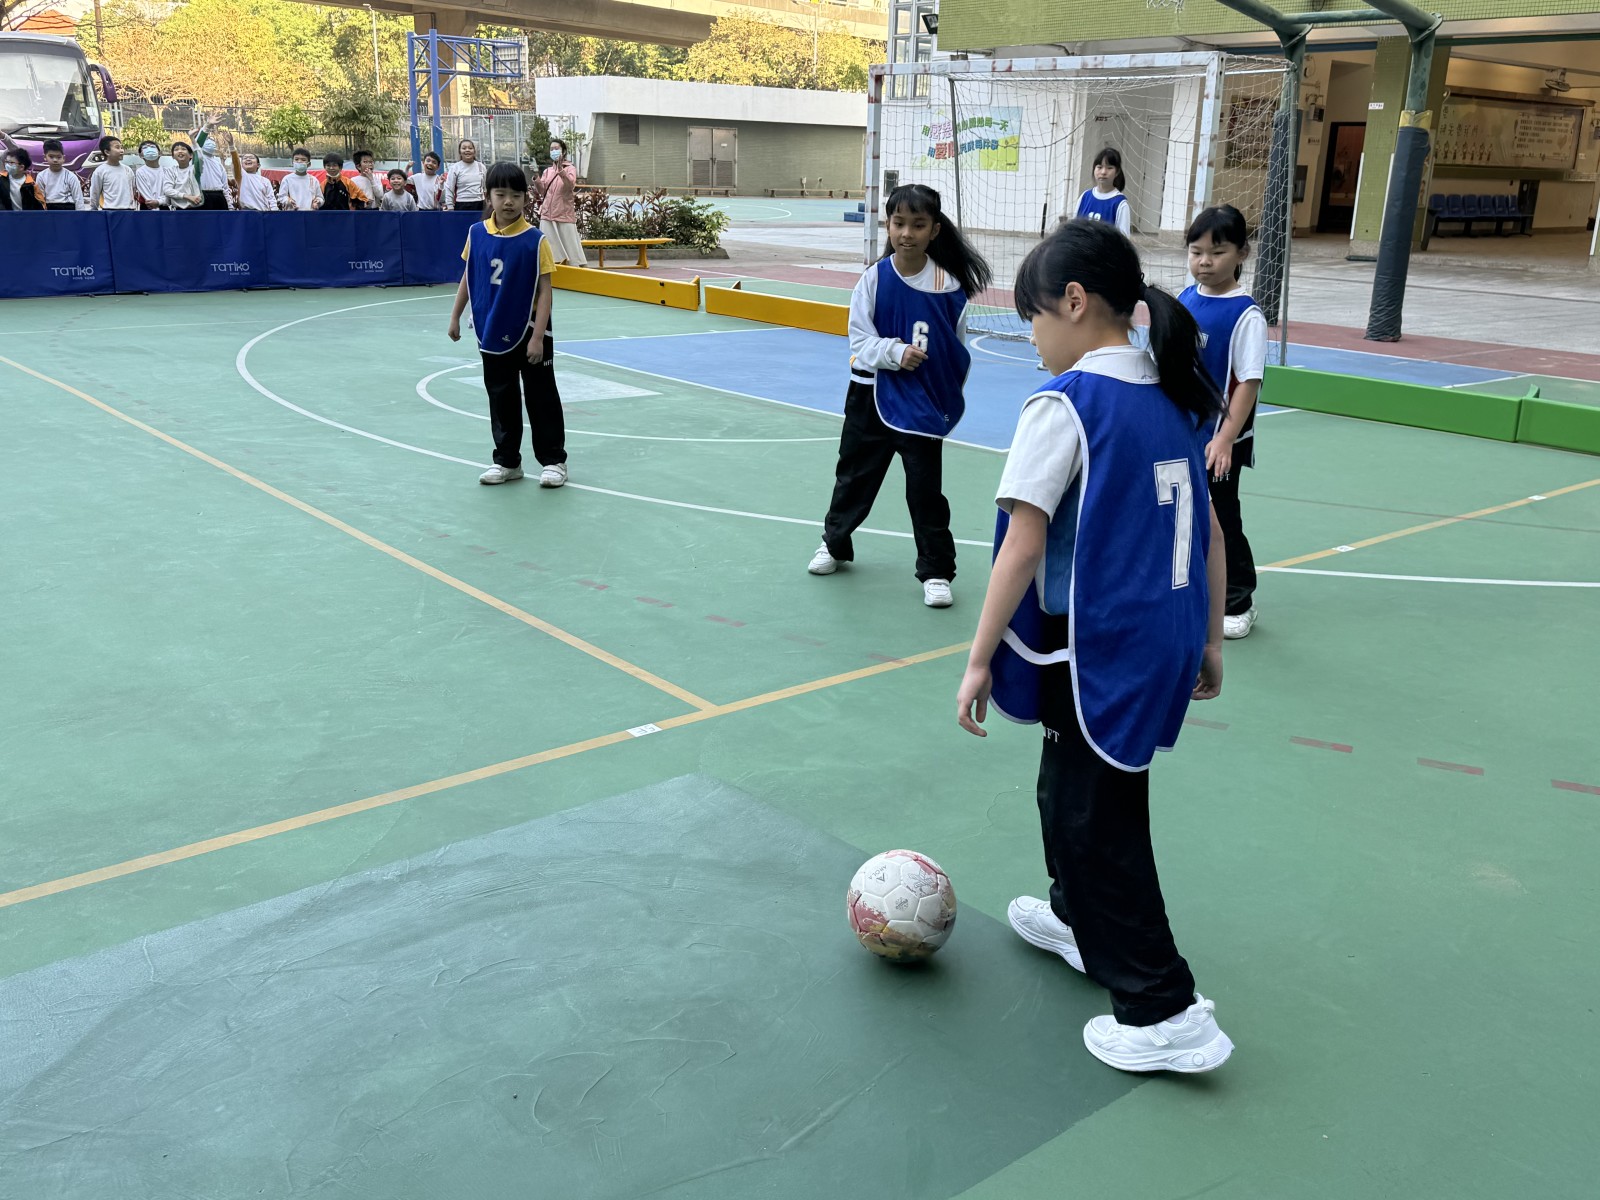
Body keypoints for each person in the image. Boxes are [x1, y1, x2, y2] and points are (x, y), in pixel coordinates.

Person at [955, 218, 1232, 1075]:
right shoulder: (1172, 393)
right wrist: (1209, 639)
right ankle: (1078, 921)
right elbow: (1211, 533)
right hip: (1161, 636)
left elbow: (1022, 544)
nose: (1033, 338)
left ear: (1074, 303)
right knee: (1069, 788)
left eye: (1033, 318)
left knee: (1097, 819)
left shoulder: (1066, 405)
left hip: (1104, 645)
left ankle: (1165, 1009)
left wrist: (978, 657)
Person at [807, 183, 990, 609]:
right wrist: (894, 353)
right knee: (854, 478)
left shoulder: (949, 288)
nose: (907, 233)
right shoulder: (874, 279)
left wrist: (943, 400)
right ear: (888, 225)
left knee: (925, 491)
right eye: (899, 223)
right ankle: (834, 543)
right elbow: (859, 340)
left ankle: (936, 571)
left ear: (935, 230)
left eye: (918, 225)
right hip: (870, 396)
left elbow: (955, 353)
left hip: (920, 404)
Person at [447, 161, 568, 488]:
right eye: (501, 194)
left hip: (530, 330)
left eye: (516, 195)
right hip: (491, 328)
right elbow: (468, 276)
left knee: (541, 396)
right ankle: (507, 461)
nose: (509, 201)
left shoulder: (535, 240)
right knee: (501, 397)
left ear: (526, 198)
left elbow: (545, 291)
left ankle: (553, 460)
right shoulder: (476, 234)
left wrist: (538, 337)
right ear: (488, 196)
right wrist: (456, 315)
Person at [1181, 205, 1267, 640]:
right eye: (1196, 252)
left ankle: (1239, 601)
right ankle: (1195, 588)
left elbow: (1248, 383)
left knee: (1222, 518)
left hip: (1220, 439)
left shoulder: (1246, 315)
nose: (1205, 261)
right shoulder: (1185, 299)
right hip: (1184, 431)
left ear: (1242, 254)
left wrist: (1227, 438)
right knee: (1184, 511)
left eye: (1217, 253)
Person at [533, 138, 586, 266]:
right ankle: (551, 271)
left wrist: (561, 170)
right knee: (548, 248)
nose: (553, 151)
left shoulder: (570, 169)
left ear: (564, 151)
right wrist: (536, 175)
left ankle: (579, 271)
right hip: (547, 214)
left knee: (571, 249)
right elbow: (542, 191)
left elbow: (569, 186)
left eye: (556, 148)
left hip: (564, 214)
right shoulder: (547, 171)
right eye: (551, 149)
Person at [1074, 147, 1131, 236]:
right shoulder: (1085, 197)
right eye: (1099, 167)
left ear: (1117, 172)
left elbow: (1123, 238)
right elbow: (1074, 229)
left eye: (1109, 168)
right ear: (1094, 169)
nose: (1103, 172)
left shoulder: (1120, 203)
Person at [192, 116, 234, 210]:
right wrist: (208, 126)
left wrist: (230, 206)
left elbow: (225, 187)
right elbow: (198, 144)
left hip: (219, 197)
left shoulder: (218, 164)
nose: (210, 142)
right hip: (202, 197)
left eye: (211, 139)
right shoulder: (196, 159)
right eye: (207, 139)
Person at [88, 135, 139, 210]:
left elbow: (133, 190)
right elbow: (95, 192)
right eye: (117, 147)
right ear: (107, 152)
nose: (122, 150)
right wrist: (94, 209)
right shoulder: (100, 171)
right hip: (110, 211)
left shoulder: (128, 170)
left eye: (121, 147)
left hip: (129, 210)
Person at [36, 140, 86, 210]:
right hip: (49, 209)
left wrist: (80, 215)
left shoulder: (71, 176)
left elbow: (78, 199)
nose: (55, 160)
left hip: (68, 209)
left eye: (58, 157)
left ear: (63, 158)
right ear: (45, 157)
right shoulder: (41, 176)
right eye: (51, 157)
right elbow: (40, 199)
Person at [443, 139, 486, 211]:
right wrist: (450, 206)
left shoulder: (481, 167)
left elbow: (486, 188)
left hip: (479, 204)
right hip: (461, 205)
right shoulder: (455, 168)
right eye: (464, 148)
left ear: (474, 151)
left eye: (470, 148)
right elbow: (449, 188)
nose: (467, 150)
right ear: (460, 152)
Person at [277, 147, 322, 212]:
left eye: (303, 160)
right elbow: (281, 197)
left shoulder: (314, 180)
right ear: (292, 162)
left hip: (310, 213)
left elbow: (320, 197)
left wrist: (318, 201)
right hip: (292, 214)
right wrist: (288, 201)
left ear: (309, 164)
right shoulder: (287, 179)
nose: (299, 161)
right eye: (296, 159)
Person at [1, 147, 45, 211]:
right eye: (6, 162)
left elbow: (41, 206)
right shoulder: (1, 179)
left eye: (11, 163)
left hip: (25, 216)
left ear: (21, 167)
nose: (7, 165)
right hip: (6, 215)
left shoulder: (31, 185)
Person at [163, 142, 203, 210]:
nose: (180, 151)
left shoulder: (195, 169)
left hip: (196, 208)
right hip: (177, 209)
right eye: (176, 149)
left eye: (183, 149)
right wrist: (187, 196)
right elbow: (167, 190)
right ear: (173, 156)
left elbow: (200, 157)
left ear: (191, 155)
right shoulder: (171, 171)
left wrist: (193, 140)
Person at [133, 141, 166, 209]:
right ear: (141, 155)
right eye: (145, 148)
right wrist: (153, 205)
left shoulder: (167, 171)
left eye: (152, 147)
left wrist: (159, 202)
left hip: (163, 206)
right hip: (147, 207)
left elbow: (170, 192)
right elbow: (145, 193)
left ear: (160, 153)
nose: (149, 149)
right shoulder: (140, 172)